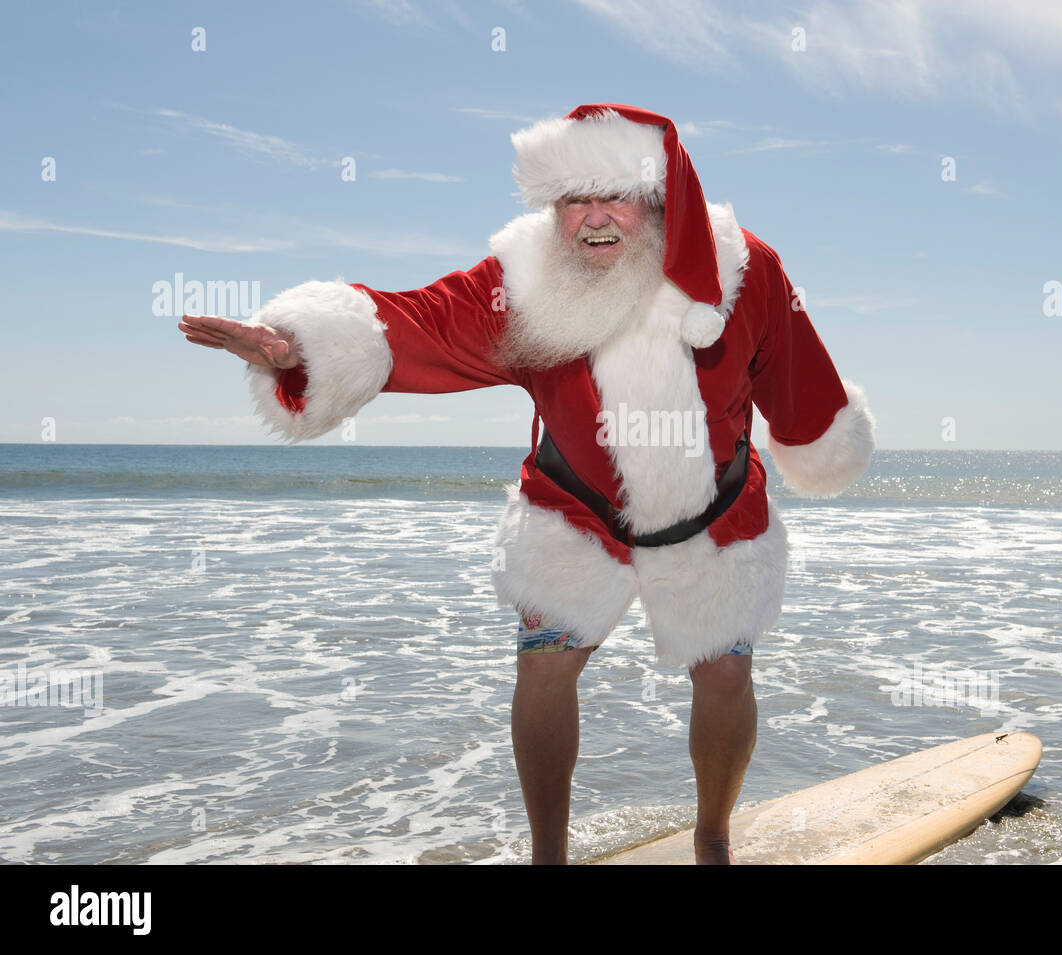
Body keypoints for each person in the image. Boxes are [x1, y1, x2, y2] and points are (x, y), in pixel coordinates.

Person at [177, 103, 877, 864]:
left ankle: (711, 835)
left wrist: (818, 442)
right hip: (574, 509)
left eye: (614, 196)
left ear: (656, 197)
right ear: (554, 210)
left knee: (727, 672)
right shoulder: (522, 286)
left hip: (712, 513)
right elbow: (416, 322)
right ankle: (549, 855)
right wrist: (298, 345)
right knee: (544, 667)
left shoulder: (745, 271)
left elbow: (801, 381)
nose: (596, 220)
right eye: (575, 200)